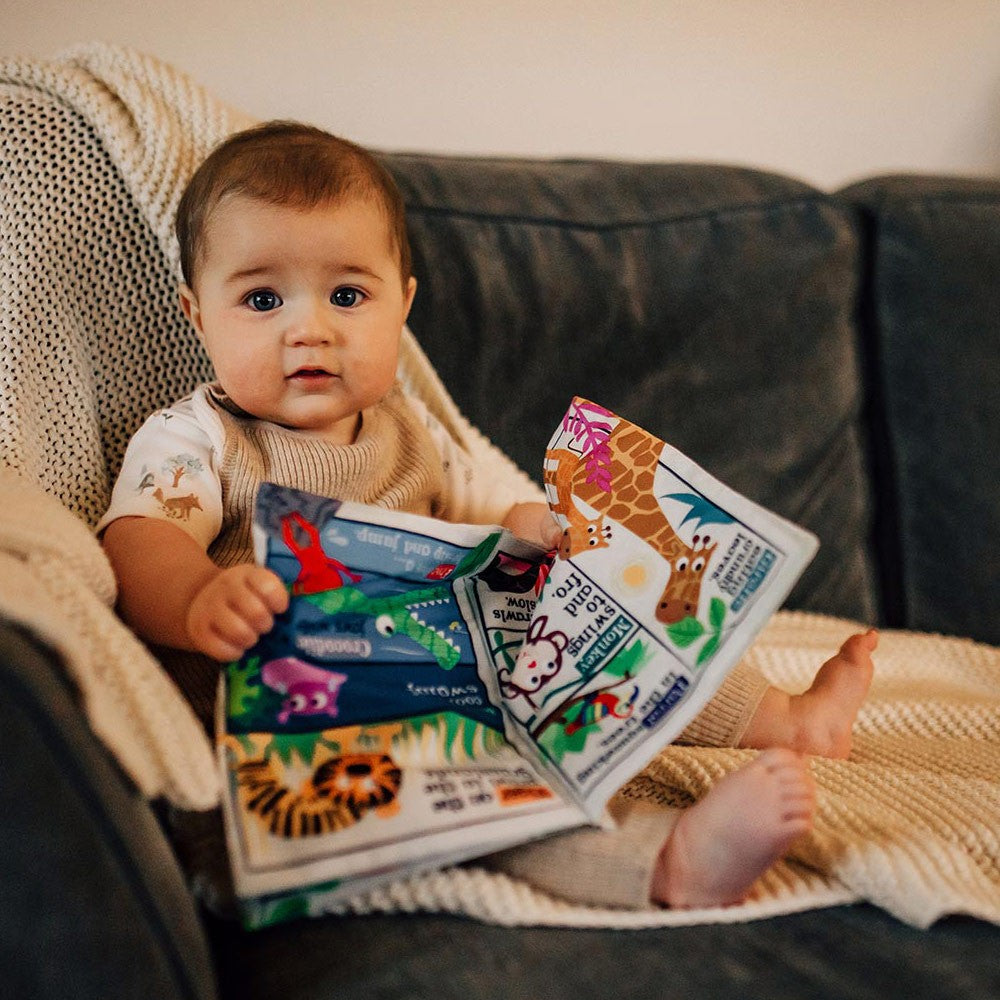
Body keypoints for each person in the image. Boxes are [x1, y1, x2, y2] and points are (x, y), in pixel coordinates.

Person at [99, 121, 877, 910]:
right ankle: (664, 862)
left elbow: (485, 511)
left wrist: (543, 534)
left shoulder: (410, 431)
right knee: (486, 804)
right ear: (199, 317)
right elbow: (142, 541)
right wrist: (198, 598)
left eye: (347, 295)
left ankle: (789, 721)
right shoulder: (197, 438)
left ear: (400, 307)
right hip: (324, 720)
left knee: (613, 605)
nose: (311, 329)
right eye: (262, 298)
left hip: (461, 671)